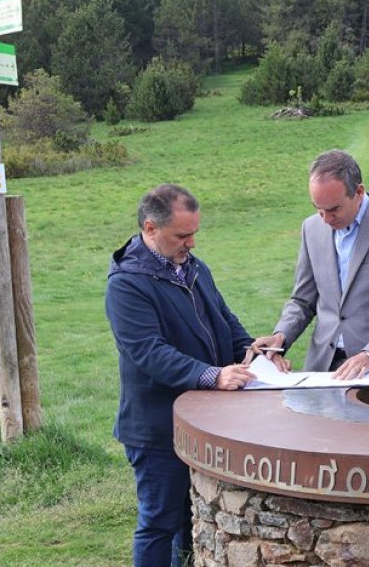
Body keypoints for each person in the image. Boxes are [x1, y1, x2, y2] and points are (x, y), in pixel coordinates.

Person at [105, 184, 261, 567]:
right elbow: (148, 352)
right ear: (150, 228)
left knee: (190, 520)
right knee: (160, 521)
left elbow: (223, 321)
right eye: (181, 235)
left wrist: (257, 353)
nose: (191, 242)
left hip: (202, 422)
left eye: (194, 233)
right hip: (157, 428)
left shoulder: (193, 267)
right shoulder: (127, 284)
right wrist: (212, 375)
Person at [249, 150, 369, 382]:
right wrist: (281, 336)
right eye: (318, 208)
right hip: (323, 368)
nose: (325, 219)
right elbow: (303, 300)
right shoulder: (312, 228)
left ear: (358, 192)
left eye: (334, 209)